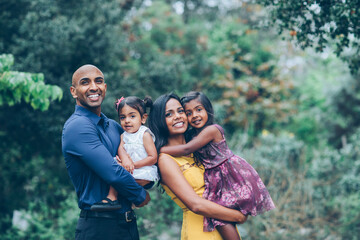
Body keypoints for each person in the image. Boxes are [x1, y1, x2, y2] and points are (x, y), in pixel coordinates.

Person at [160, 91, 276, 240]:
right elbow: (196, 204)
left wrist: (158, 149)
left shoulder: (210, 131)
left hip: (227, 178)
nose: (194, 115)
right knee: (221, 220)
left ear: (208, 110)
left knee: (224, 218)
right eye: (189, 112)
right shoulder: (182, 146)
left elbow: (186, 148)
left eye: (199, 110)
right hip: (202, 218)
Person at [62, 64, 150, 240]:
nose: (94, 87)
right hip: (99, 227)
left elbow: (139, 152)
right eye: (85, 82)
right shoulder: (77, 126)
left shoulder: (114, 126)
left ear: (105, 88)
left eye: (99, 81)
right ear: (74, 91)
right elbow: (113, 173)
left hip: (127, 225)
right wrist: (141, 196)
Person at [148, 93, 247, 240]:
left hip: (223, 227)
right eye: (169, 114)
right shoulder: (165, 159)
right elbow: (195, 204)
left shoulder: (199, 150)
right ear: (159, 121)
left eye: (181, 111)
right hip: (200, 232)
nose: (178, 116)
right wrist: (238, 216)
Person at [91, 96, 159, 211]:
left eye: (132, 116)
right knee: (114, 167)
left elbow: (153, 158)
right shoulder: (124, 135)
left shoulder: (144, 134)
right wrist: (125, 159)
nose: (127, 120)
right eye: (123, 117)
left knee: (120, 178)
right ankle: (116, 197)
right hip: (129, 169)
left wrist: (133, 164)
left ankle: (117, 196)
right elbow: (120, 148)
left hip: (143, 170)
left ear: (143, 118)